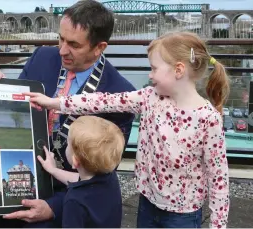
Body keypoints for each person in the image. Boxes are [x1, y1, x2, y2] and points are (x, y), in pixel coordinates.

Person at [0, 0, 136, 227]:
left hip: (68, 192)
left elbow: (102, 176)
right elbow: (15, 111)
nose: (62, 50)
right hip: (16, 173)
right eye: (60, 39)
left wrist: (53, 207)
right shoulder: (42, 57)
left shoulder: (120, 96)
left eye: (74, 44)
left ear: (99, 47)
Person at [23, 31, 230, 228]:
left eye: (154, 68)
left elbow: (218, 179)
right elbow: (102, 101)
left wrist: (217, 225)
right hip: (147, 203)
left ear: (178, 70)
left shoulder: (208, 119)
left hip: (183, 215)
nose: (150, 75)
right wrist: (55, 103)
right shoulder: (149, 97)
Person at [38, 115, 125, 228]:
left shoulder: (75, 200)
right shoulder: (110, 177)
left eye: (68, 144)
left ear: (75, 161)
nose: (67, 146)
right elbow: (78, 179)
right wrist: (53, 170)